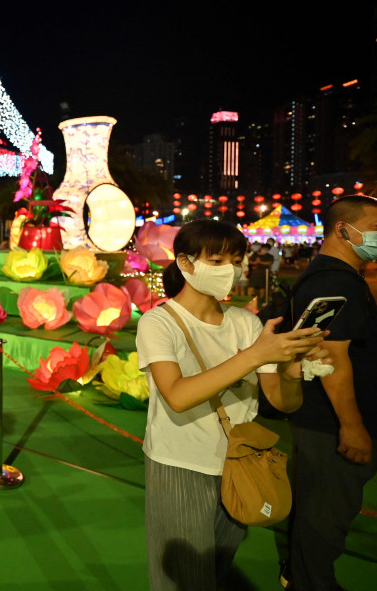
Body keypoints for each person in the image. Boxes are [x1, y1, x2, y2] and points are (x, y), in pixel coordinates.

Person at [135, 220, 327, 591]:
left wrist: (290, 369)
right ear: (186, 263)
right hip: (180, 464)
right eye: (218, 259)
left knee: (217, 570)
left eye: (237, 260)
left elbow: (282, 402)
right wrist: (255, 356)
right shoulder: (159, 323)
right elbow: (176, 396)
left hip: (240, 463)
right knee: (185, 579)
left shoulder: (246, 323)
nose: (231, 269)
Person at [285, 196, 377, 591]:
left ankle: (299, 575)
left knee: (317, 515)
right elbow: (330, 357)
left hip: (327, 424)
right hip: (331, 427)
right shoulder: (333, 281)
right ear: (343, 230)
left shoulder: (340, 277)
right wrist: (353, 427)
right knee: (325, 519)